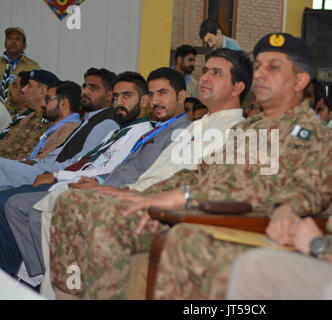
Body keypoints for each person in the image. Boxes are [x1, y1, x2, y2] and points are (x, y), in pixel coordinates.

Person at [146, 27, 332, 300]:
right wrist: (289, 208)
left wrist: (321, 247)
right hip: (331, 258)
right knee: (252, 267)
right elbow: (313, 184)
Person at [49, 33, 332, 300]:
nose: (260, 74)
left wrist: (183, 202)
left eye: (273, 68)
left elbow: (266, 192)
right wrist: (141, 195)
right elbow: (198, 172)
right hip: (195, 209)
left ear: (300, 81)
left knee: (107, 220)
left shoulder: (304, 131)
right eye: (258, 66)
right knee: (71, 203)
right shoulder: (251, 128)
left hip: (228, 222)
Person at [47, 48, 253, 299]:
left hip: (169, 212)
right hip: (142, 195)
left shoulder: (238, 131)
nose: (206, 78)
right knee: (68, 202)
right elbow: (161, 174)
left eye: (217, 73)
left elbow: (196, 184)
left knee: (101, 217)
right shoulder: (197, 126)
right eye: (205, 71)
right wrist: (121, 190)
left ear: (237, 87)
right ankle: (68, 294)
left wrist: (133, 195)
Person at [0, 72, 152, 285]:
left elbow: (109, 169)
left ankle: (44, 279)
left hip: (87, 186)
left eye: (126, 96)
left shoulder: (141, 132)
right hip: (70, 178)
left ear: (144, 100)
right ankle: (34, 277)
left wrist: (57, 175)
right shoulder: (118, 131)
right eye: (117, 97)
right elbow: (86, 160)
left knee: (18, 205)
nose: (119, 102)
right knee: (14, 203)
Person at [0, 67, 119, 191]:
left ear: (109, 96)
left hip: (56, 175)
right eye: (85, 87)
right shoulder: (89, 120)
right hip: (46, 168)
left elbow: (80, 163)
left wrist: (50, 172)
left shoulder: (106, 123)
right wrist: (36, 163)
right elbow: (58, 154)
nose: (85, 92)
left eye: (93, 88)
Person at [0, 69, 58, 160]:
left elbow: (23, 158)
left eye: (29, 86)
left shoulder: (49, 120)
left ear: (42, 91)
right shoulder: (28, 116)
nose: (23, 90)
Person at [1, 27, 40, 115]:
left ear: (24, 45)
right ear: (5, 43)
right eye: (10, 38)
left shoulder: (31, 67)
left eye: (17, 39)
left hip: (16, 116)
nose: (13, 41)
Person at [0, 71, 30, 138]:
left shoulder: (31, 120)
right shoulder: (17, 117)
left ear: (25, 92)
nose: (9, 89)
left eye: (14, 86)